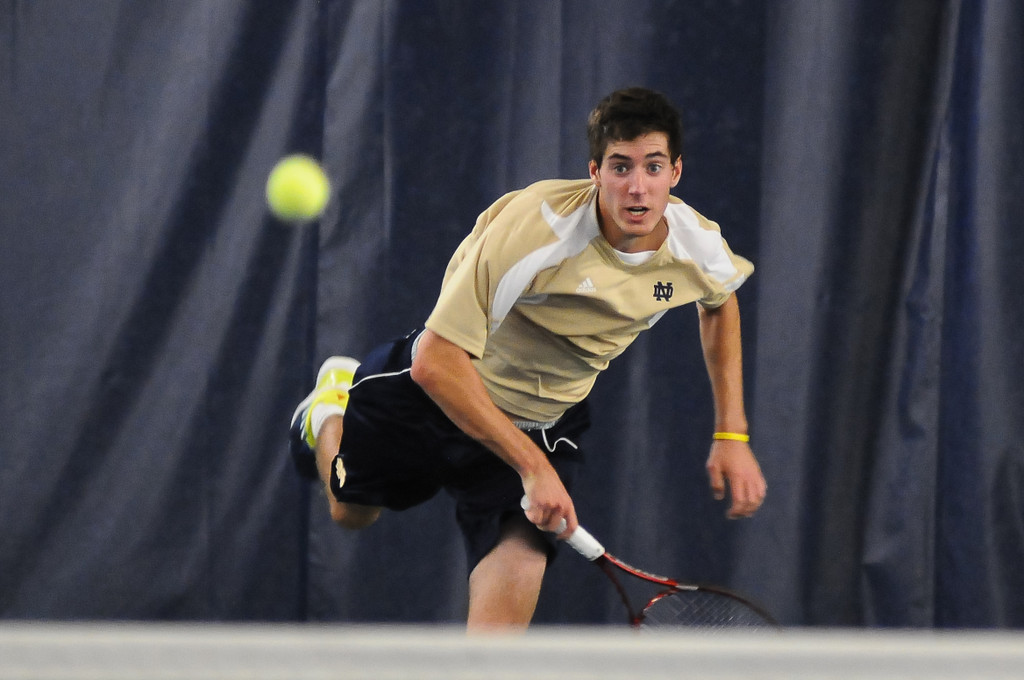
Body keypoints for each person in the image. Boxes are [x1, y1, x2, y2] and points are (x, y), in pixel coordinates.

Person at [289, 86, 766, 630]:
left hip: (544, 419)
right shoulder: (537, 233)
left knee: (500, 636)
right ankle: (329, 406)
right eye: (621, 167)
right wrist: (534, 469)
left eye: (653, 167)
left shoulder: (696, 246)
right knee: (350, 512)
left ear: (675, 172)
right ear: (595, 171)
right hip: (438, 393)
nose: (637, 187)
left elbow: (720, 303)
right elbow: (435, 363)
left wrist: (732, 434)